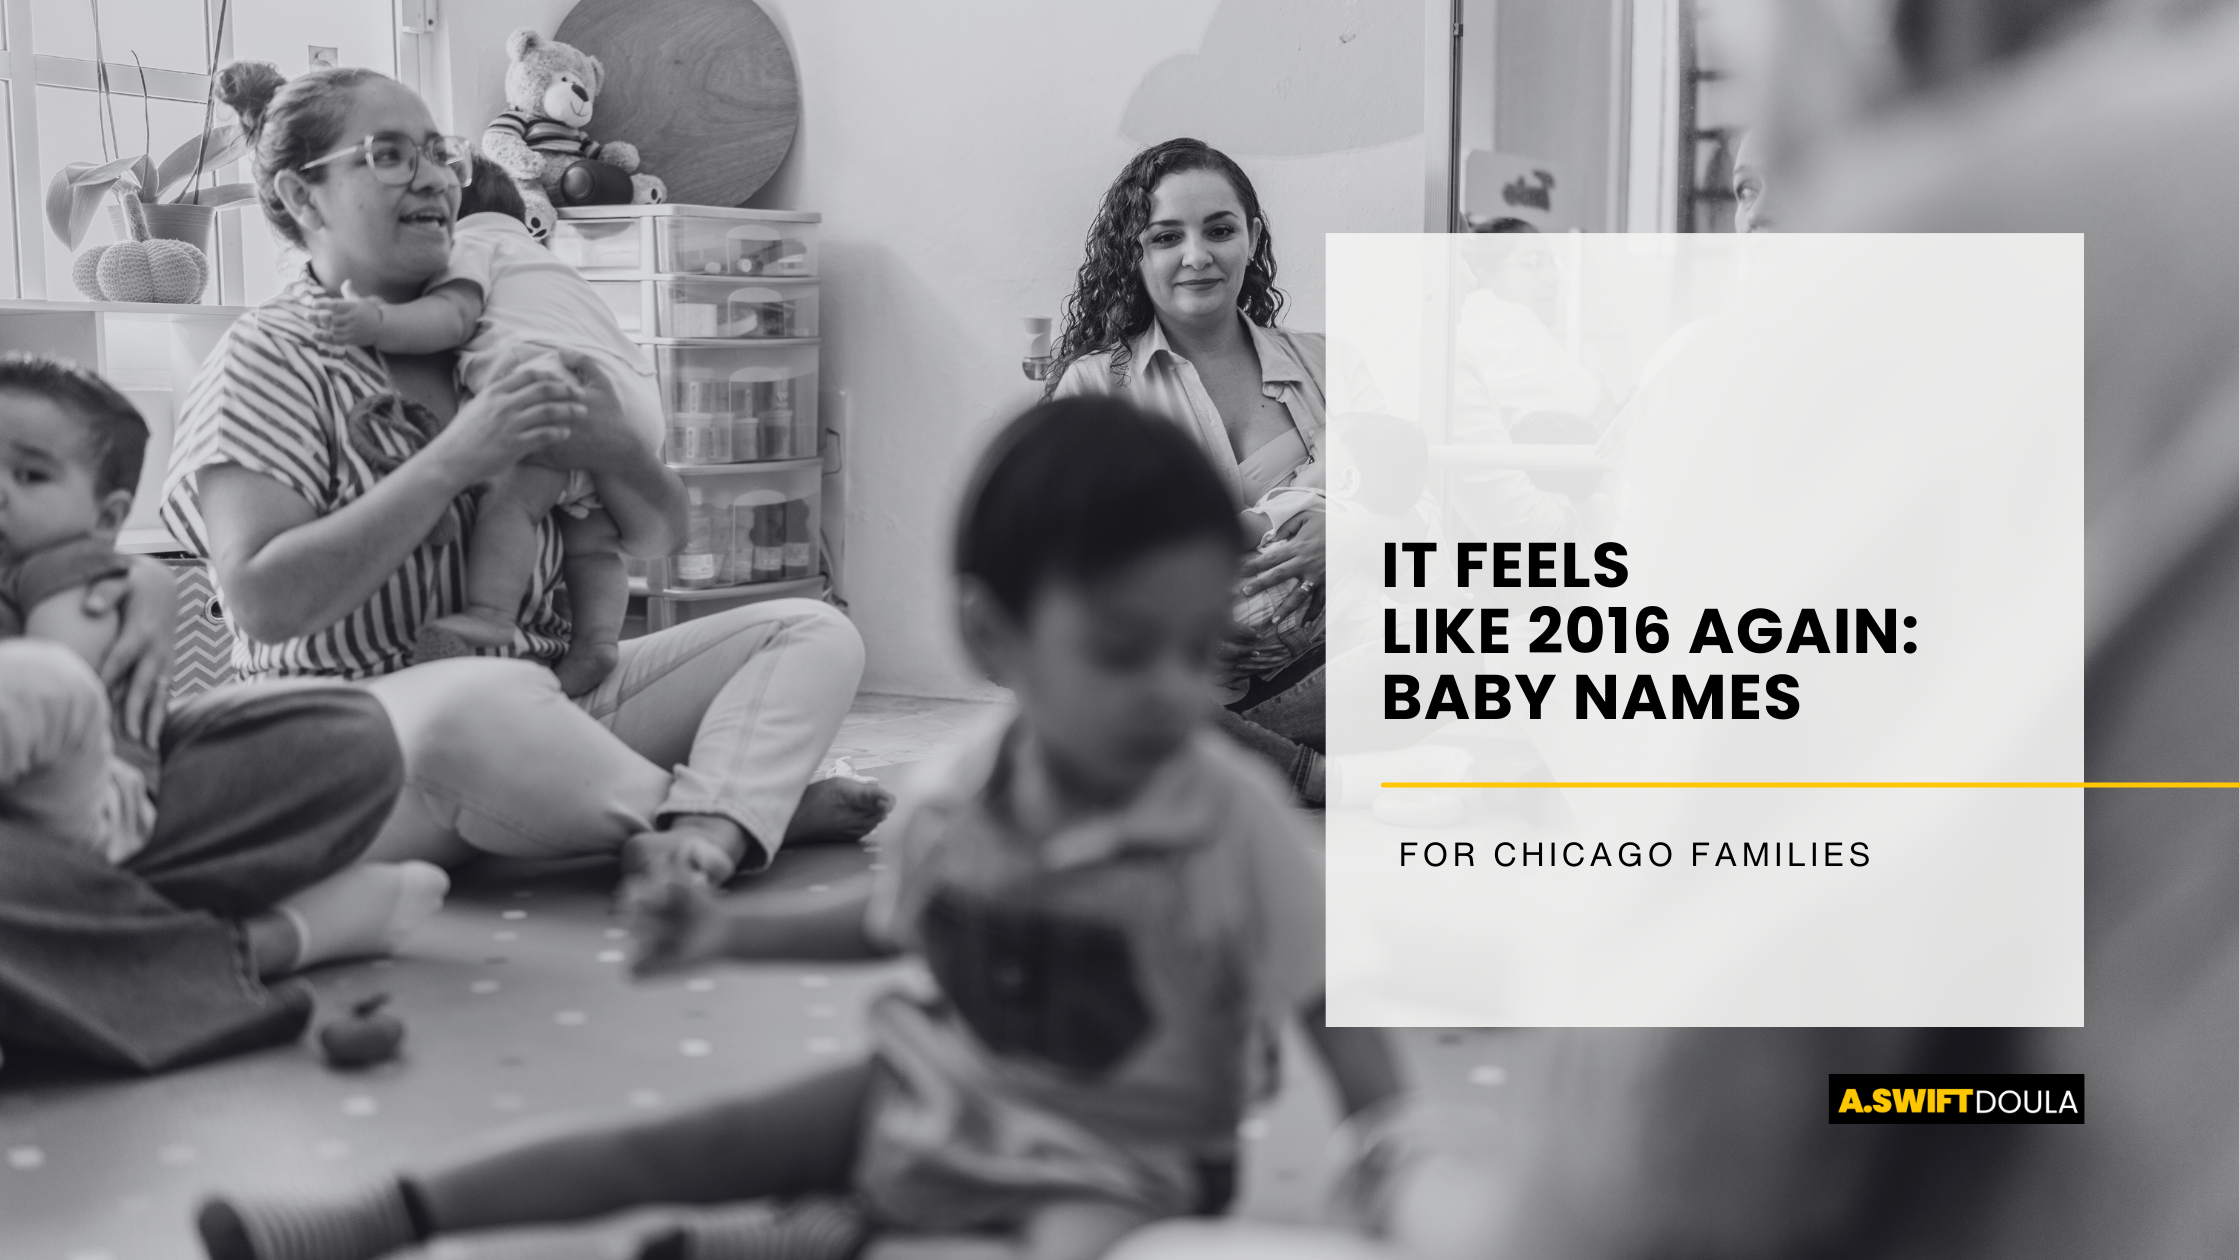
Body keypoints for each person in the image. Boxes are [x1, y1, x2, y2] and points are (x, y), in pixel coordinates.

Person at [193, 397, 1408, 1260]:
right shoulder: (969, 783)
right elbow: (896, 925)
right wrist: (724, 941)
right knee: (676, 1143)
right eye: (1121, 649)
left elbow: (1324, 1013)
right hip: (934, 1091)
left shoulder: (1224, 816)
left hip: (1106, 1170)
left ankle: (840, 1232)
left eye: (1198, 650)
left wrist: (1388, 1158)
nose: (1172, 693)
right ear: (993, 641)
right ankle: (386, 1213)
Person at [164, 62, 890, 890]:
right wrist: (456, 457)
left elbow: (658, 538)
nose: (436, 177)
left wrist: (616, 448)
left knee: (809, 629)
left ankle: (702, 820)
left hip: (547, 708)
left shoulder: (499, 333)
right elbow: (263, 603)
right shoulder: (267, 357)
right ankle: (735, 811)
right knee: (473, 707)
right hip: (358, 739)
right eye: (391, 155)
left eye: (440, 153)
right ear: (303, 198)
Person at [0, 355, 418, 1073]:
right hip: (36, 850)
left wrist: (140, 581)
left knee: (346, 734)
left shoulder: (63, 572)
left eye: (29, 476)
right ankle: (265, 942)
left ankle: (77, 926)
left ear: (102, 519)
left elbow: (70, 686)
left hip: (92, 807)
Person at [309, 152, 662, 696]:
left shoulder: (473, 242)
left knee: (513, 502)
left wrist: (379, 321)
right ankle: (596, 643)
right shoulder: (549, 263)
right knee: (592, 541)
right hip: (631, 395)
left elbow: (452, 318)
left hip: (554, 389)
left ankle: (490, 613)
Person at [1049, 138, 1327, 806]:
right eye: (1167, 236)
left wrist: (1349, 539)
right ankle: (1307, 777)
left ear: (1251, 238)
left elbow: (1409, 504)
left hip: (1326, 666)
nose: (1197, 256)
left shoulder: (1327, 363)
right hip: (1182, 689)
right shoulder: (1096, 387)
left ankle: (1259, 770)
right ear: (1135, 252)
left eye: (1220, 231)